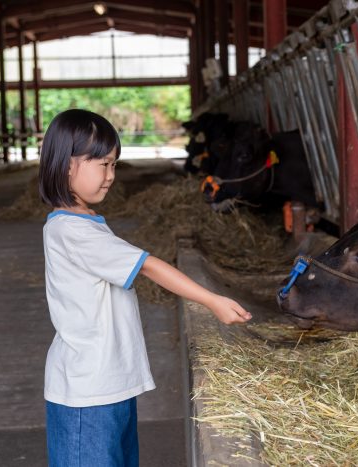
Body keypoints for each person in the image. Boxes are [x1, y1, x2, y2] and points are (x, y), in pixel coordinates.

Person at [38, 109, 252, 466]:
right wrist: (211, 299)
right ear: (66, 165)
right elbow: (148, 265)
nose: (111, 176)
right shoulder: (71, 231)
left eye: (114, 165)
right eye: (102, 164)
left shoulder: (86, 222)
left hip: (109, 383)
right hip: (87, 393)